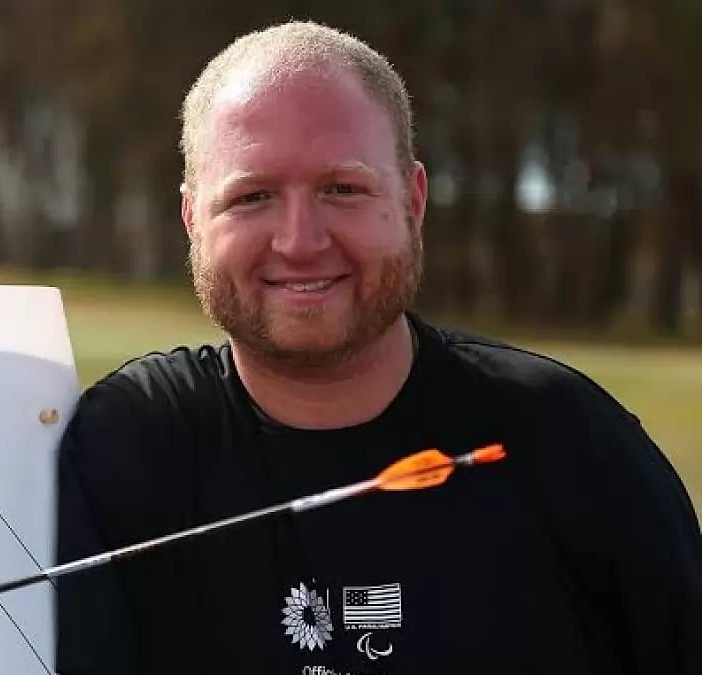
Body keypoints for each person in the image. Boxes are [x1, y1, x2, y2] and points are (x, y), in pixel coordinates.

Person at [53, 19, 702, 675]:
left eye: (342, 189)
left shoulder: (569, 442)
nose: (299, 240)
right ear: (193, 220)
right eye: (252, 197)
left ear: (413, 199)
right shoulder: (125, 448)